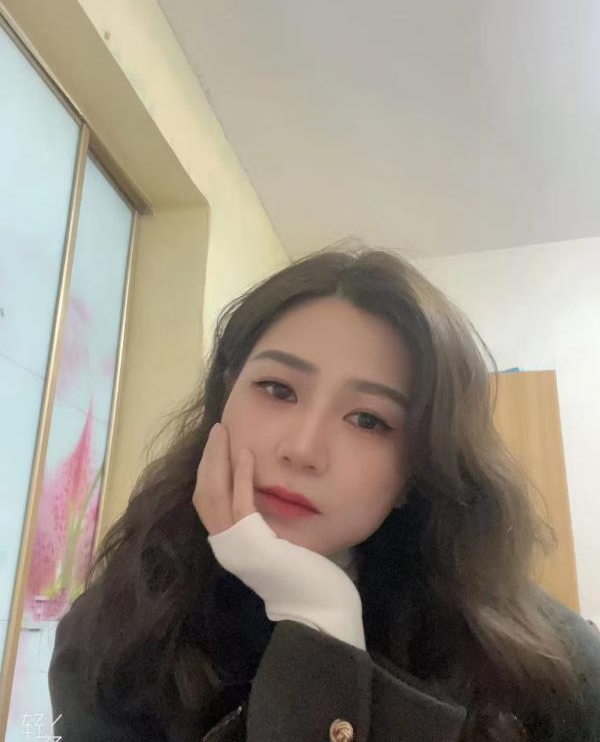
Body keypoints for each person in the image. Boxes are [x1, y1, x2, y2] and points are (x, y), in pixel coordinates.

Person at [49, 244, 600, 741]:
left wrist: (319, 620)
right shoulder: (114, 632)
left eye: (368, 420)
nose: (303, 448)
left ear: (418, 470)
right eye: (277, 389)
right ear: (224, 398)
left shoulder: (554, 670)